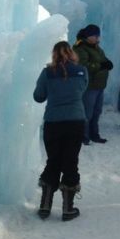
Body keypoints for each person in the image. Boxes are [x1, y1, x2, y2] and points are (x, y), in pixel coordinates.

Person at [33, 41, 88, 221]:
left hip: (53, 122)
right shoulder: (81, 71)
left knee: (53, 161)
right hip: (75, 121)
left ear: (54, 54)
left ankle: (45, 205)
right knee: (70, 161)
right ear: (71, 53)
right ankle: (67, 208)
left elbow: (38, 97)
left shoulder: (47, 73)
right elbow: (82, 91)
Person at [73, 24, 113, 145]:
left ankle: (94, 134)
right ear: (88, 36)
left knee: (96, 111)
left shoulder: (96, 48)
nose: (97, 38)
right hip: (89, 86)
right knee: (87, 112)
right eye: (95, 36)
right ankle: (83, 135)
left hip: (99, 85)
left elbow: (102, 58)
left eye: (98, 35)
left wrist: (107, 62)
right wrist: (100, 66)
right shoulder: (81, 49)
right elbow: (83, 66)